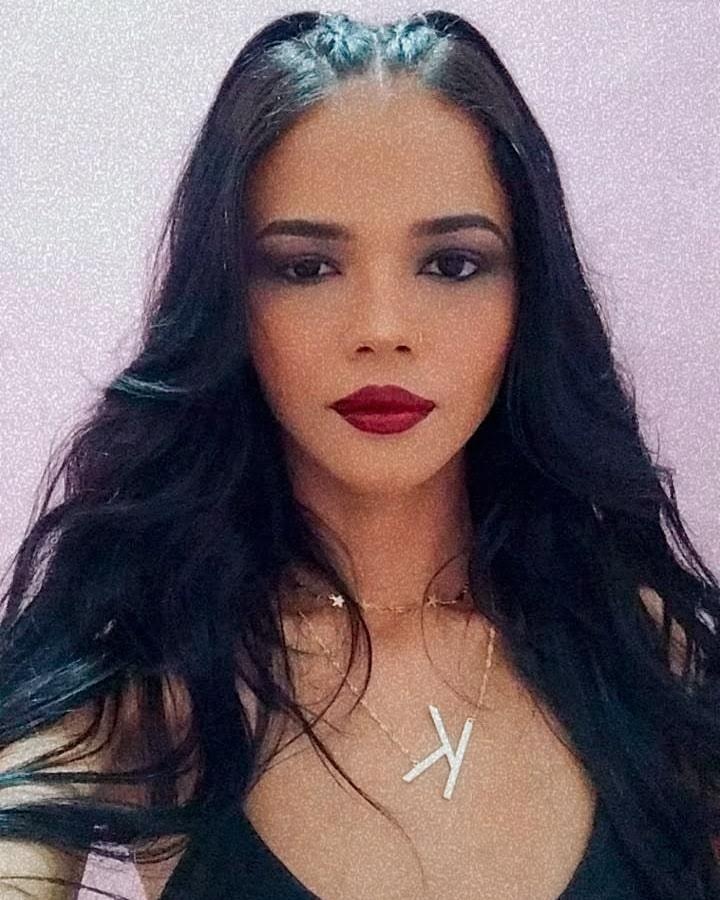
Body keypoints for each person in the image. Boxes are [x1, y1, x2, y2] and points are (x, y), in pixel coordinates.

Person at [1, 10, 719, 900]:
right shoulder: (150, 676)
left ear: (527, 299)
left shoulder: (647, 653)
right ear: (230, 304)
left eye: (452, 265)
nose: (381, 329)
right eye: (306, 267)